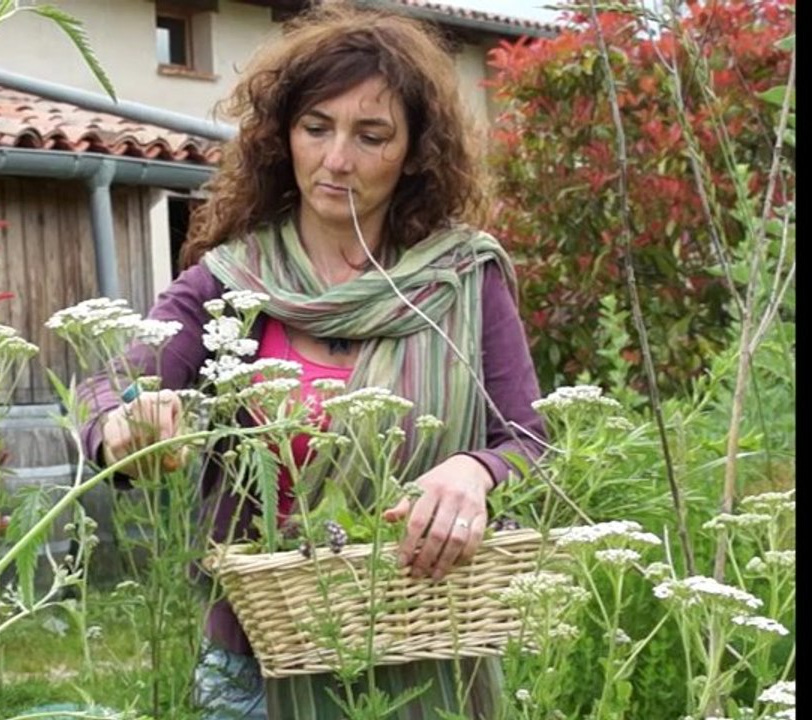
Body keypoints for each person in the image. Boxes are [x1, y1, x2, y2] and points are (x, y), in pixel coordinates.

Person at [78, 3, 548, 718]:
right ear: (282, 137)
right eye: (316, 127)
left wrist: (475, 470)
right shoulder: (230, 281)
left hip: (427, 648)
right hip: (255, 667)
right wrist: (126, 425)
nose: (338, 161)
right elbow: (104, 387)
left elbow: (533, 441)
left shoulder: (459, 281)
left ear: (416, 151)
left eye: (372, 135)